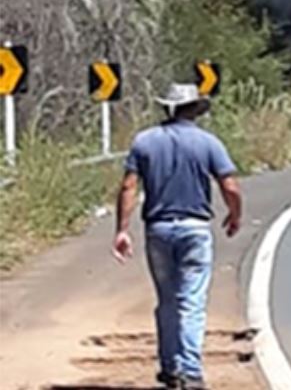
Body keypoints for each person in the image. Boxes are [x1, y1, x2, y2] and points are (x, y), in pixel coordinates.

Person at [112, 83, 242, 390]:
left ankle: (170, 368)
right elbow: (230, 185)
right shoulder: (209, 143)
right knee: (191, 301)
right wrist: (235, 214)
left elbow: (129, 186)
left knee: (167, 300)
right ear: (195, 109)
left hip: (157, 229)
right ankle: (191, 370)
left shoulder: (144, 142)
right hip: (195, 229)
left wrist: (122, 229)